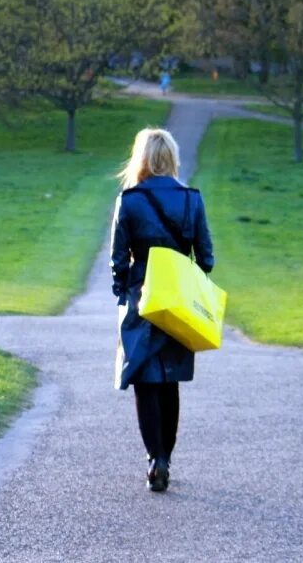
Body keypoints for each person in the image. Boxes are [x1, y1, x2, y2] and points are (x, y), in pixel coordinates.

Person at [110, 128, 214, 492]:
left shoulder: (130, 200)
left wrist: (123, 294)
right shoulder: (192, 199)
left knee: (143, 379)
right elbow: (207, 259)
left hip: (142, 296)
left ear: (140, 158)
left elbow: (118, 262)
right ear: (171, 158)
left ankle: (155, 458)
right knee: (169, 381)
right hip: (179, 298)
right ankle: (165, 457)